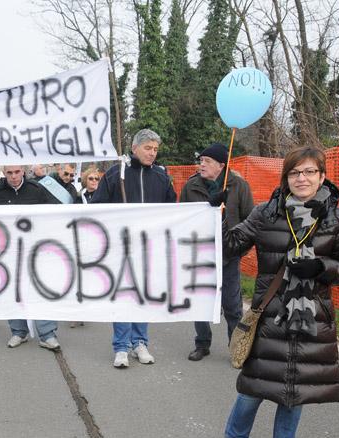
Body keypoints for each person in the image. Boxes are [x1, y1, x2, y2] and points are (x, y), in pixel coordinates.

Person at [219, 146, 339, 438]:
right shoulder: (266, 213)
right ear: (286, 177)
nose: (302, 178)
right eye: (295, 173)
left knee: (294, 393)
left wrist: (321, 266)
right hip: (270, 316)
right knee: (253, 387)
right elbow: (231, 245)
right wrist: (220, 215)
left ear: (322, 176)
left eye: (309, 172)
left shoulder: (336, 217)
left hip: (312, 321)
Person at [92, 128, 177, 368]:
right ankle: (121, 347)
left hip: (149, 248)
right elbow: (98, 206)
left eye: (156, 149)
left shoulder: (161, 177)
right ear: (135, 148)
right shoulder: (115, 174)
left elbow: (173, 210)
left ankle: (140, 342)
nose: (152, 153)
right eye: (148, 148)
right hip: (121, 247)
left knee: (142, 296)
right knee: (123, 296)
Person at [180, 142, 254, 361]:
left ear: (221, 165)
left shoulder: (239, 186)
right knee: (201, 302)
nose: (201, 164)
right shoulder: (191, 186)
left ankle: (235, 347)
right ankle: (202, 344)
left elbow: (251, 220)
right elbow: (182, 218)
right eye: (201, 160)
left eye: (207, 161)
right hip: (199, 256)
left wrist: (240, 248)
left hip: (228, 256)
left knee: (232, 305)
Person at [0, 164, 61, 351]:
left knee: (41, 289)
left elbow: (55, 212)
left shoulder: (36, 189)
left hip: (36, 249)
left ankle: (47, 334)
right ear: (4, 172)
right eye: (9, 173)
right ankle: (18, 332)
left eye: (17, 172)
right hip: (9, 250)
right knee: (14, 292)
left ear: (23, 172)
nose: (13, 176)